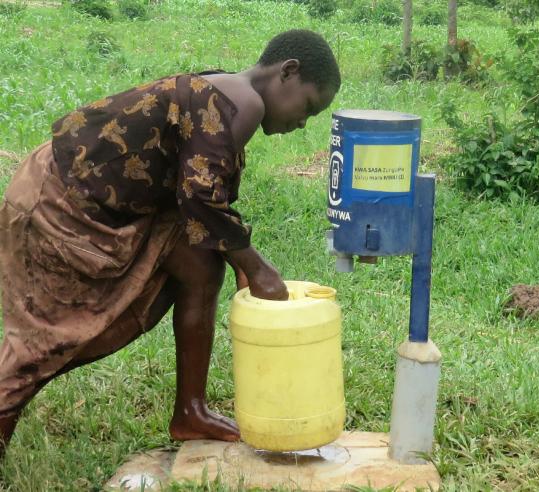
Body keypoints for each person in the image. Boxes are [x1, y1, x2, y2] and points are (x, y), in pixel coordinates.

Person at [0, 29, 341, 459]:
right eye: (308, 107)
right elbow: (200, 198)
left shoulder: (230, 91)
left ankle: (190, 412)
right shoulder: (245, 102)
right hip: (60, 202)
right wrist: (257, 267)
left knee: (201, 265)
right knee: (48, 336)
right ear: (287, 72)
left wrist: (235, 258)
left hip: (92, 195)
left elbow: (198, 195)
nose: (302, 123)